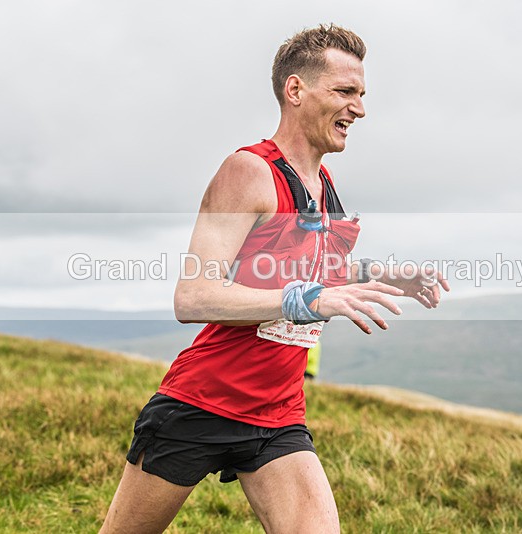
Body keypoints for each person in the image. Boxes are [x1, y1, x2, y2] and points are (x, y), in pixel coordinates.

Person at [100, 24, 449, 533]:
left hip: (278, 414)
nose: (360, 108)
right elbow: (193, 296)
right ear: (295, 90)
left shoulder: (323, 183)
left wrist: (388, 275)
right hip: (201, 403)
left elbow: (306, 271)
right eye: (345, 92)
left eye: (362, 94)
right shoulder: (247, 172)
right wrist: (307, 300)